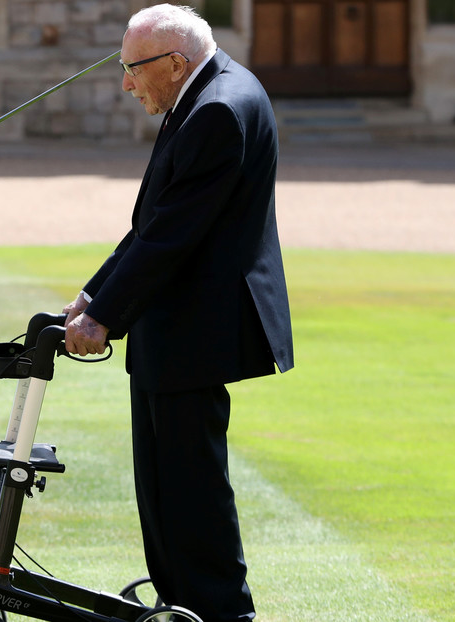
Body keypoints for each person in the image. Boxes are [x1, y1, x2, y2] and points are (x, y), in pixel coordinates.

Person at [62, 5, 294, 622]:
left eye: (133, 69)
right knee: (164, 483)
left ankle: (220, 611)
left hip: (197, 325)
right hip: (177, 323)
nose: (125, 83)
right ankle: (180, 603)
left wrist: (103, 317)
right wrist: (93, 294)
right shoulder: (205, 91)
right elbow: (154, 222)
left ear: (174, 63)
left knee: (190, 486)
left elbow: (174, 235)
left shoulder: (217, 108)